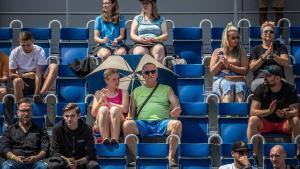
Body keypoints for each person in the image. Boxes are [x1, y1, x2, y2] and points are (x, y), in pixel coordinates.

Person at [123, 62, 182, 167]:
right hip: (143, 123)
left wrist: (175, 111)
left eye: (153, 71)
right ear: (143, 75)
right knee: (127, 125)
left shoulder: (167, 88)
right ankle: (135, 157)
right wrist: (129, 117)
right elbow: (131, 113)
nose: (151, 74)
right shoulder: (136, 91)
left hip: (162, 122)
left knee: (177, 124)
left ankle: (171, 158)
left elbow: (175, 104)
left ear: (157, 74)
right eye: (147, 72)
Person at [247, 65, 300, 156]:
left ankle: (298, 153)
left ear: (278, 78)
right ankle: (253, 155)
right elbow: (252, 112)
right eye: (264, 75)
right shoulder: (261, 88)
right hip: (266, 123)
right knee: (253, 120)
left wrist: (285, 114)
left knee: (296, 120)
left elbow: (296, 111)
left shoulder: (290, 89)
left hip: (283, 123)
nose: (264, 77)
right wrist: (269, 111)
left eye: (268, 76)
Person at [0, 98, 49, 169]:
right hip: (14, 162)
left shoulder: (41, 131)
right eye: (23, 111)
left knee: (43, 167)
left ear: (32, 112)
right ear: (17, 112)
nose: (26, 114)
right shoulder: (9, 130)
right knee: (7, 167)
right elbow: (4, 148)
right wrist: (15, 158)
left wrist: (36, 158)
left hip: (35, 162)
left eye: (28, 110)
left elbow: (45, 149)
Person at [9, 31, 58, 101]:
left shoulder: (39, 50)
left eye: (28, 45)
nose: (26, 47)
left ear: (33, 41)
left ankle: (40, 94)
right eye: (23, 45)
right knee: (17, 81)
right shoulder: (15, 52)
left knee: (54, 66)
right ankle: (20, 105)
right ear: (19, 42)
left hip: (38, 78)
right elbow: (11, 75)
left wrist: (36, 93)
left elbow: (38, 73)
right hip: (23, 81)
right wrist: (25, 75)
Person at [50, 103, 99, 169]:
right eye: (66, 116)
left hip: (82, 161)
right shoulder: (57, 129)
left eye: (72, 116)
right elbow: (55, 152)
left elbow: (91, 153)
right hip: (64, 160)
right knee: (54, 165)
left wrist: (78, 162)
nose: (69, 119)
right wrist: (67, 160)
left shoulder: (87, 129)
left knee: (93, 165)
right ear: (63, 116)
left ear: (78, 116)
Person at [210, 22, 249, 103]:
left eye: (238, 37)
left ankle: (239, 114)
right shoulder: (217, 51)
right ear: (226, 39)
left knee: (240, 86)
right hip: (222, 78)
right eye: (233, 38)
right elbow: (212, 72)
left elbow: (245, 71)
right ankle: (226, 114)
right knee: (227, 85)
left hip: (238, 79)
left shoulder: (241, 51)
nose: (236, 40)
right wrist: (220, 63)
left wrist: (229, 66)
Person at [91, 68, 129, 144]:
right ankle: (105, 140)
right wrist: (101, 100)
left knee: (114, 109)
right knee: (103, 109)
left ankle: (115, 140)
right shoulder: (99, 93)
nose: (117, 82)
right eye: (114, 79)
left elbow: (125, 109)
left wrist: (110, 104)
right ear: (106, 80)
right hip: (101, 123)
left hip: (118, 122)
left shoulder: (124, 92)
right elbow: (94, 114)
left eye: (118, 79)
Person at [249, 21, 289, 92]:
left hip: (278, 78)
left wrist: (273, 55)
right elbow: (252, 67)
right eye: (266, 31)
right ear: (261, 34)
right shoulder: (255, 49)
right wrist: (264, 56)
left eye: (271, 32)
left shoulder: (281, 47)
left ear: (274, 35)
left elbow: (286, 63)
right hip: (260, 79)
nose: (268, 33)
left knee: (284, 86)